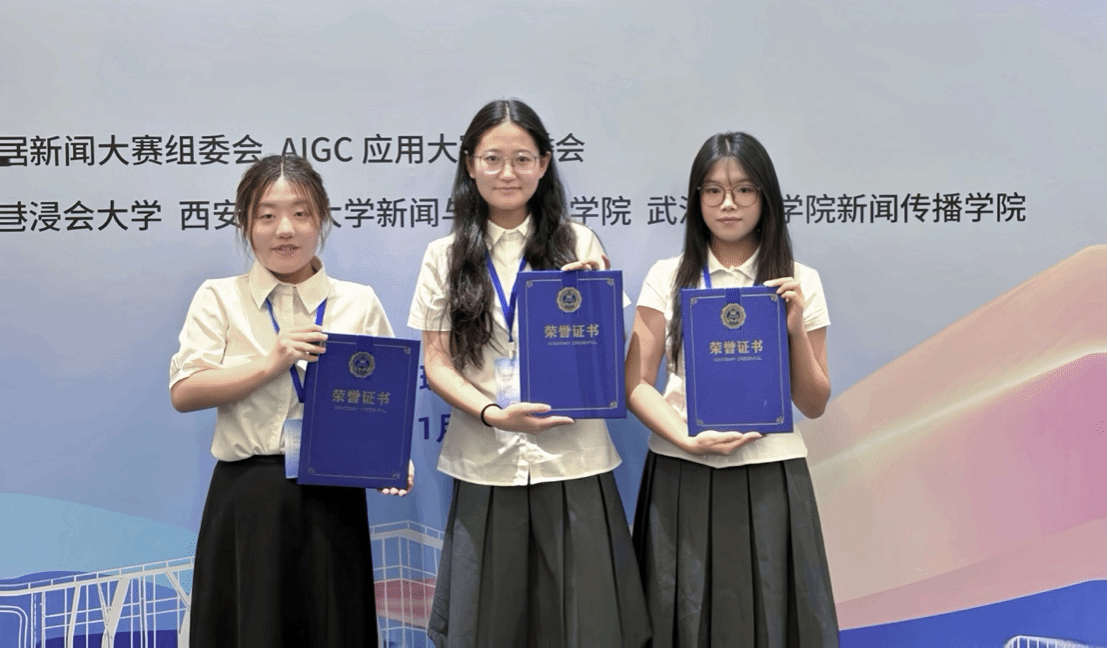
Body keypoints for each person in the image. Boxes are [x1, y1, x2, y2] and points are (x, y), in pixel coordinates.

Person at [408, 98, 650, 647]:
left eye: (522, 159)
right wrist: (493, 413)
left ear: (543, 164)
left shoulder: (579, 243)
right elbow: (436, 362)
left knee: (586, 627)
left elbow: (608, 357)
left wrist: (596, 297)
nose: (507, 173)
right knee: (490, 628)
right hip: (486, 462)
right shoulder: (444, 256)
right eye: (493, 159)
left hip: (574, 460)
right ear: (470, 164)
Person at [170, 154, 408, 647]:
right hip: (249, 497)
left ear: (322, 220)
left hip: (333, 498)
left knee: (333, 628)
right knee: (251, 629)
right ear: (246, 223)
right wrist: (270, 363)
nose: (285, 229)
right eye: (267, 215)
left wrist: (390, 458)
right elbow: (185, 391)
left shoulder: (357, 301)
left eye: (301, 213)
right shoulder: (219, 298)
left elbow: (384, 399)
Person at [625, 132, 839, 647]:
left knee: (772, 623)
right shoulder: (667, 276)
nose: (728, 204)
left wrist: (793, 328)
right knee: (680, 619)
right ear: (696, 198)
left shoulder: (798, 281)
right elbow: (636, 383)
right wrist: (684, 437)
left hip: (770, 476)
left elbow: (813, 403)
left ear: (765, 198)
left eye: (744, 190)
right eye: (713, 190)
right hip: (681, 471)